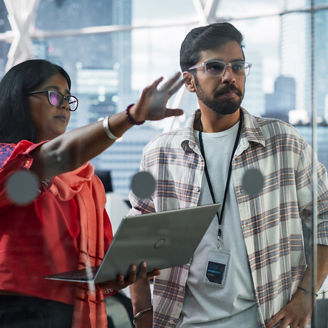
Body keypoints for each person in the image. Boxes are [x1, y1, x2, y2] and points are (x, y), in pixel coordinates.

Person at [128, 22, 328, 328]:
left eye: (237, 66)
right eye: (215, 66)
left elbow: (324, 216)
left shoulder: (283, 143)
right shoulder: (161, 153)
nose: (229, 76)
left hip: (268, 320)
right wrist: (142, 314)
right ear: (189, 81)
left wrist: (305, 295)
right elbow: (135, 243)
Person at [0, 59, 184, 328]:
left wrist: (118, 276)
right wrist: (131, 116)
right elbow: (55, 156)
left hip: (72, 314)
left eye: (67, 97)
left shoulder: (87, 181)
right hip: (14, 311)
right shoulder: (7, 160)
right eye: (53, 94)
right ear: (18, 100)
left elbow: (100, 271)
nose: (64, 104)